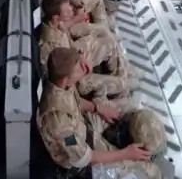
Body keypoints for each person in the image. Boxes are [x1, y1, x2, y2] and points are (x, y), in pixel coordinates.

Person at [37, 48, 164, 179]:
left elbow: (73, 101)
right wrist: (126, 153)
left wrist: (97, 108)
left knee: (127, 108)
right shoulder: (59, 123)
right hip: (86, 160)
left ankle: (137, 145)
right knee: (151, 171)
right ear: (65, 79)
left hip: (83, 126)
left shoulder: (60, 85)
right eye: (78, 68)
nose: (83, 69)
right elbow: (86, 158)